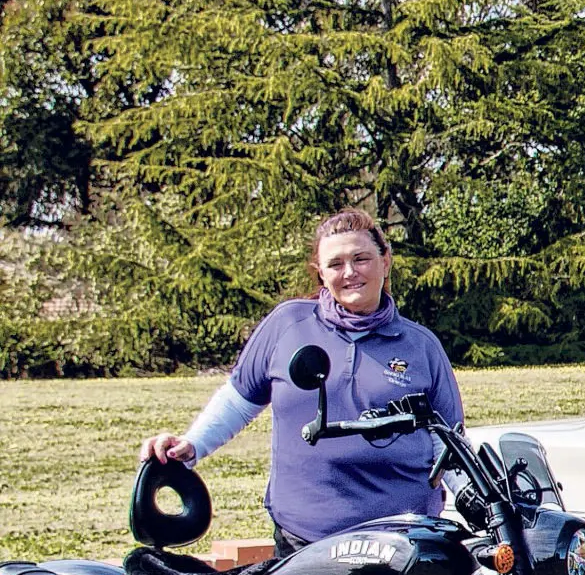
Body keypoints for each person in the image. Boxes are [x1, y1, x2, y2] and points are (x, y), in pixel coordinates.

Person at [141, 210, 462, 554]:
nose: (350, 272)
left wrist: (487, 505)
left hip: (402, 542)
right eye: (335, 264)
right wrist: (191, 446)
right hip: (305, 541)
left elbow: (450, 443)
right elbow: (238, 400)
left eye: (361, 258)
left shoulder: (421, 345)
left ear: (386, 261)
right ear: (320, 273)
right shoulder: (288, 324)